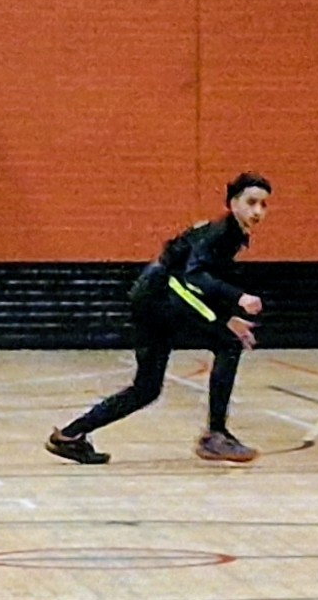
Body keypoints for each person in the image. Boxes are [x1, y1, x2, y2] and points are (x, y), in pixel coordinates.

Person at [45, 175, 271, 466]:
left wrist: (226, 316)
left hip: (152, 295)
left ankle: (70, 436)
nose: (257, 211)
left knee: (147, 388)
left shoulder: (227, 233)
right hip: (163, 294)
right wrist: (237, 300)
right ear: (232, 203)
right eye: (251, 202)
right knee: (228, 344)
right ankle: (215, 435)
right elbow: (192, 277)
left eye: (263, 204)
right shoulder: (221, 233)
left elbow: (198, 278)